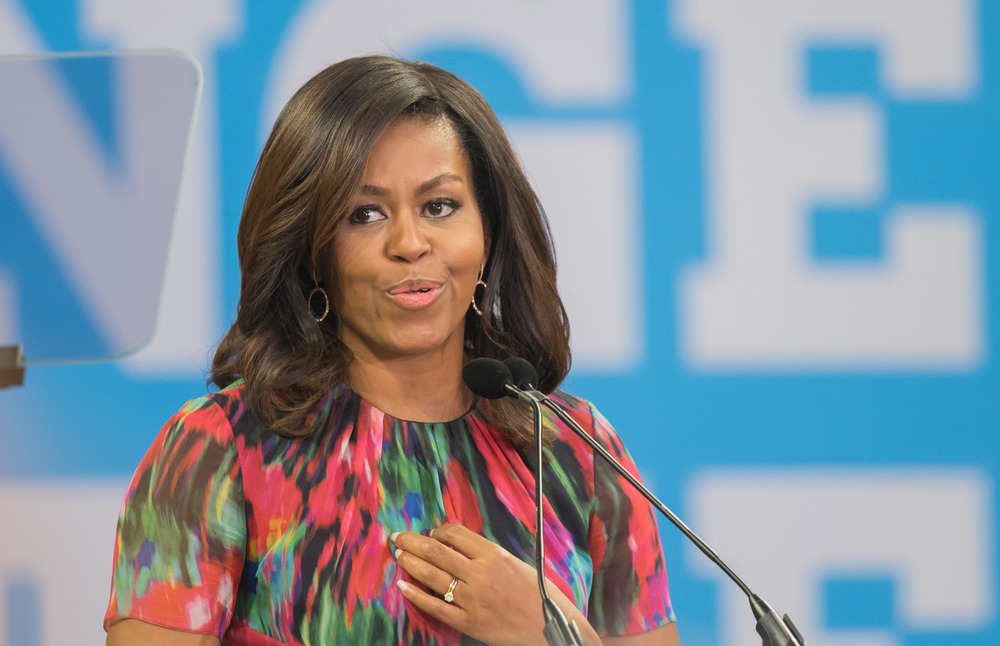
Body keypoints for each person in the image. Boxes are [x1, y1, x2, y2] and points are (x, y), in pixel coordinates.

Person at [104, 55, 680, 646]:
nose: (409, 243)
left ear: (489, 234)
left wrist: (549, 635)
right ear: (311, 250)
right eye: (365, 214)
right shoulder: (220, 448)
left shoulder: (572, 450)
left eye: (440, 206)